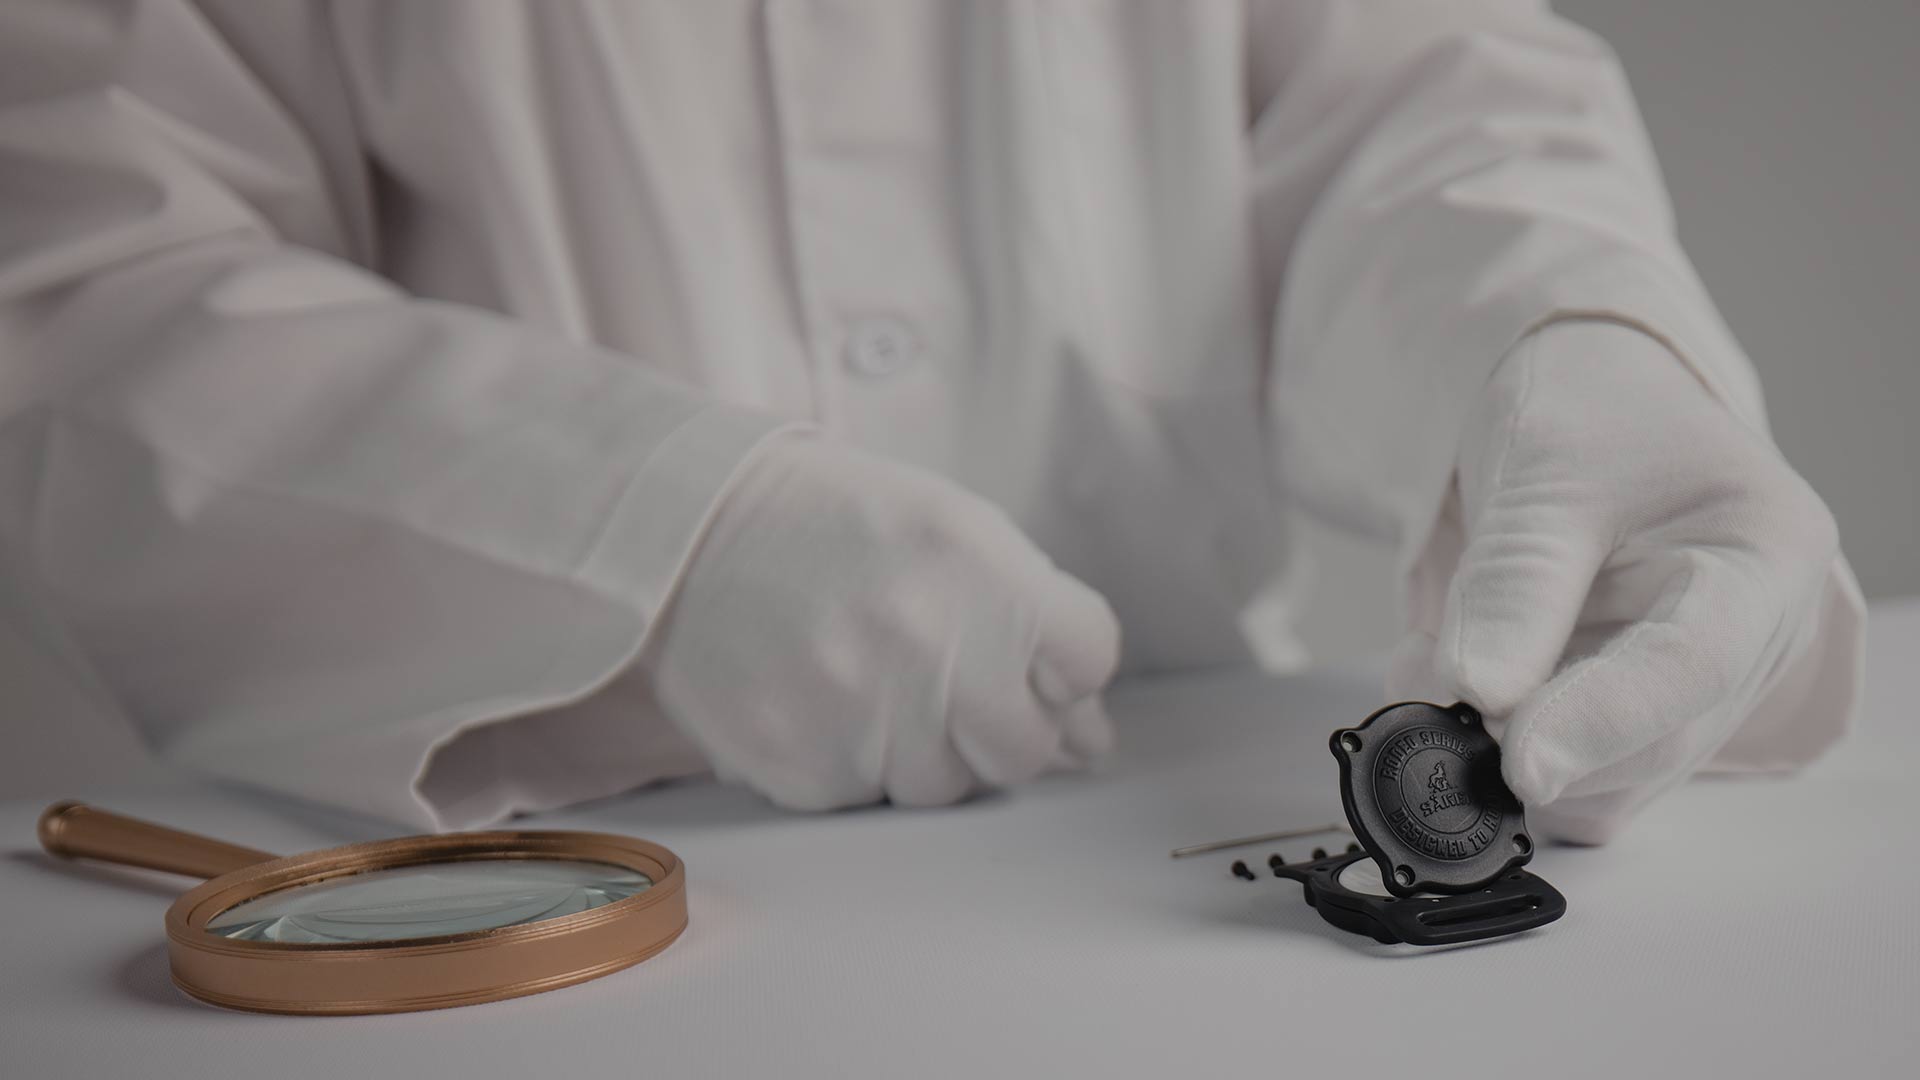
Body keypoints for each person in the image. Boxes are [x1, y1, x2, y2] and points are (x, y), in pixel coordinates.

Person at [0, 1, 1862, 842]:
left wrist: (1575, 334)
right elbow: (73, 259)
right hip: (472, 849)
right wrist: (648, 535)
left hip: (1148, 802)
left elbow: (1403, 93)